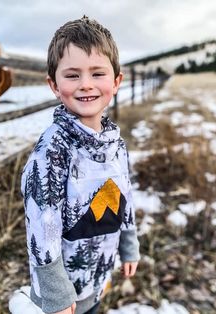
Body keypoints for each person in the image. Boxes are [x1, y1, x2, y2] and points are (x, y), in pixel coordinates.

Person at [21, 16, 140, 314]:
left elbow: (122, 197)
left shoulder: (115, 142)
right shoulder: (52, 151)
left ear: (116, 81)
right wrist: (56, 295)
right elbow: (42, 225)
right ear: (54, 84)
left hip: (98, 276)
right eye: (72, 75)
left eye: (97, 73)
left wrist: (129, 245)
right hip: (62, 298)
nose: (86, 85)